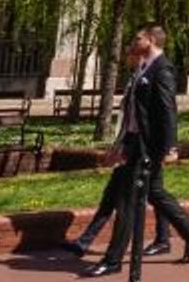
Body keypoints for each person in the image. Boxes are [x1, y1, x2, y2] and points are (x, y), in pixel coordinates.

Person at [83, 25, 189, 276]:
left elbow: (167, 110)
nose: (133, 40)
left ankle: (113, 260)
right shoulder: (144, 66)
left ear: (150, 40)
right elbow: (133, 110)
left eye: (137, 37)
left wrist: (170, 146)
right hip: (135, 142)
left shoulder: (162, 69)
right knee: (155, 192)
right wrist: (121, 144)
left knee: (126, 201)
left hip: (147, 147)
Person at [60, 40, 173, 258]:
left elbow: (160, 115)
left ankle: (170, 238)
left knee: (152, 194)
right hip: (132, 145)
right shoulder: (136, 78)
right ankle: (87, 242)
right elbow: (129, 117)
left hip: (142, 148)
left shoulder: (151, 76)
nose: (125, 58)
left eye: (129, 54)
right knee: (130, 194)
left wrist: (165, 147)